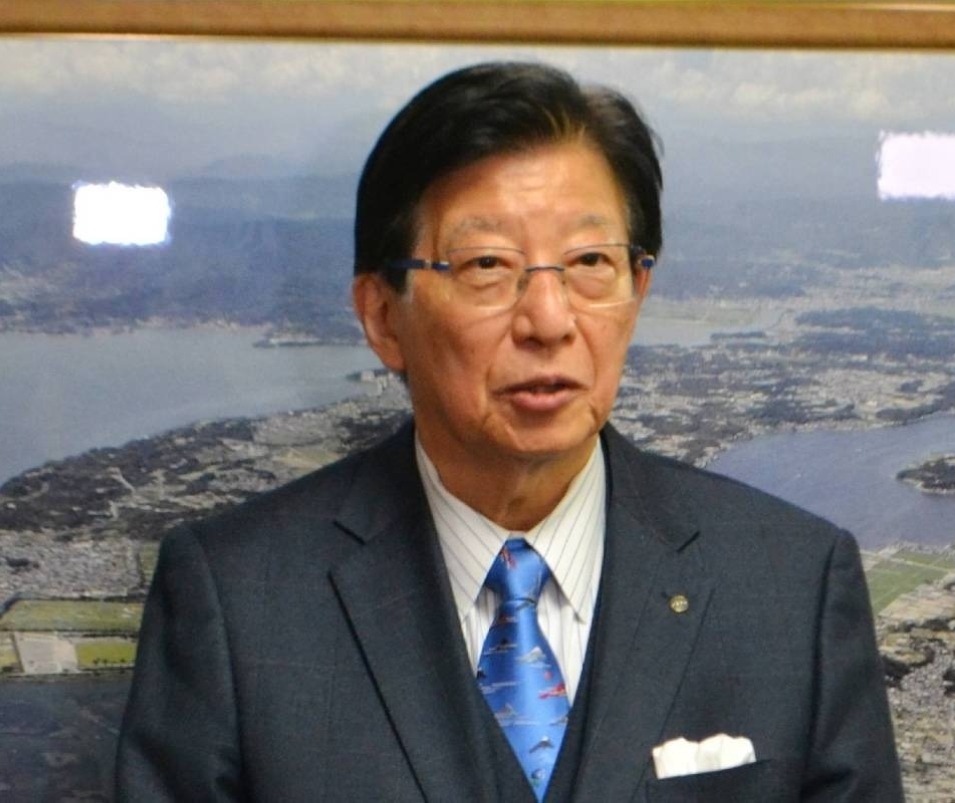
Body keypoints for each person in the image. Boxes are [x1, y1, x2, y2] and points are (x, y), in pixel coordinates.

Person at [116, 61, 903, 801]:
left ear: (638, 289)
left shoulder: (792, 584)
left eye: (590, 261)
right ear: (383, 316)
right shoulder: (238, 599)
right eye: (487, 265)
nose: (549, 320)